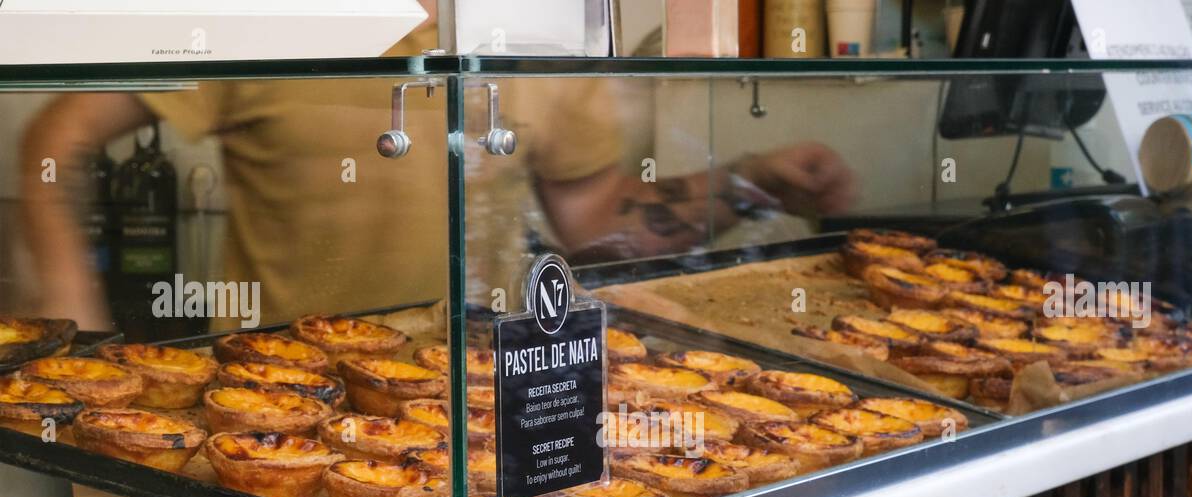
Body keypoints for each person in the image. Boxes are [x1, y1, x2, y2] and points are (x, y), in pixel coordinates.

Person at [20, 1, 855, 335]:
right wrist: (73, 322)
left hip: (474, 432)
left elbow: (597, 222)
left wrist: (753, 184)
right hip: (283, 430)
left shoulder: (531, 27)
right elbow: (64, 125)